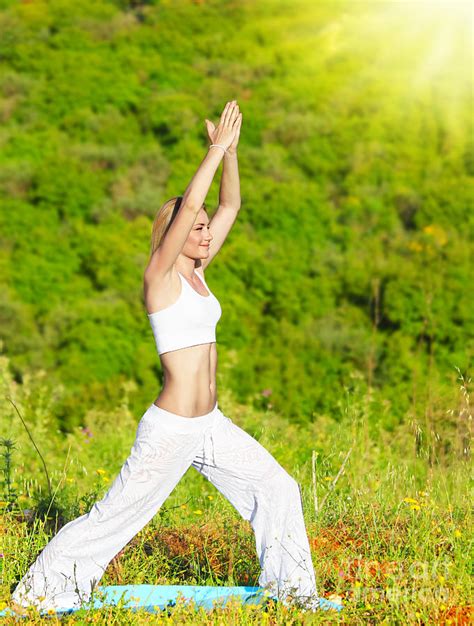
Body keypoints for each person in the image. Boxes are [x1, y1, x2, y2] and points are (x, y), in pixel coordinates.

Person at [10, 101, 324, 614]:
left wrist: (233, 156)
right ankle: (38, 595)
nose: (205, 233)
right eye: (195, 228)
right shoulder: (161, 279)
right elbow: (198, 204)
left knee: (277, 488)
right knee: (116, 516)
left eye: (204, 229)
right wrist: (213, 150)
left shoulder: (199, 274)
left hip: (210, 425)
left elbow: (230, 208)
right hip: (171, 428)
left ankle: (293, 594)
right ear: (175, 232)